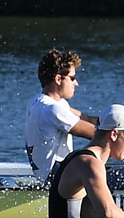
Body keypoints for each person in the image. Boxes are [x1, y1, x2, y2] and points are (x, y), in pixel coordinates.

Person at [25, 49, 99, 182]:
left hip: (53, 174)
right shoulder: (52, 110)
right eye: (72, 78)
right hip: (55, 179)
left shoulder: (39, 101)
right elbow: (95, 133)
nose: (76, 83)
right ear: (58, 79)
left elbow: (87, 119)